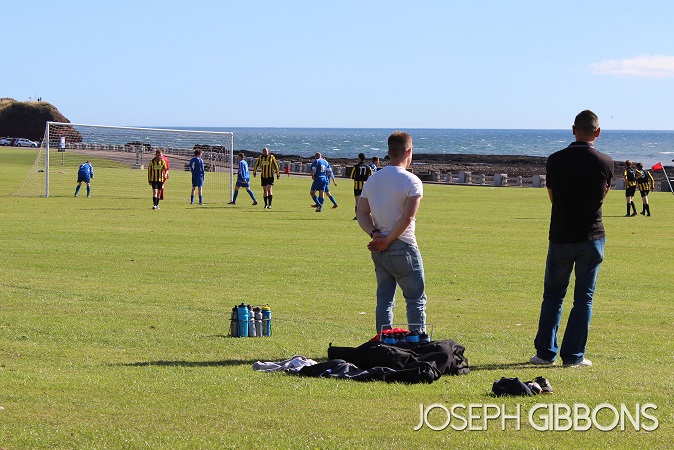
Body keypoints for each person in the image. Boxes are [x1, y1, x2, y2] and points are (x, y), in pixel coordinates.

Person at [530, 110, 614, 368]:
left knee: (553, 296)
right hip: (592, 236)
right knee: (584, 299)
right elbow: (602, 196)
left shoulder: (555, 160)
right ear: (597, 132)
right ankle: (574, 356)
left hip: (561, 236)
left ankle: (545, 354)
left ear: (573, 129)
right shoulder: (606, 162)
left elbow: (552, 197)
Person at [356, 131, 427, 334]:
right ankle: (417, 343)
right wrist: (387, 239)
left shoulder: (373, 180)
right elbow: (407, 218)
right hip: (403, 246)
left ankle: (382, 342)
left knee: (384, 300)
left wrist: (375, 234)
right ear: (409, 152)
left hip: (379, 248)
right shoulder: (412, 181)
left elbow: (361, 213)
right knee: (415, 300)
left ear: (388, 152)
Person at [351, 153, 374, 220]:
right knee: (366, 201)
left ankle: (357, 216)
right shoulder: (368, 167)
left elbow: (352, 176)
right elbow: (371, 176)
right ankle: (368, 215)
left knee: (357, 201)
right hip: (365, 186)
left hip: (357, 186)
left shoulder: (356, 167)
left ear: (359, 158)